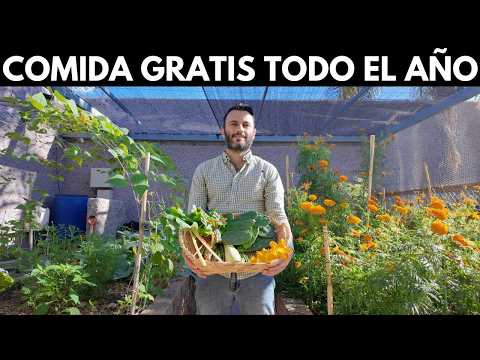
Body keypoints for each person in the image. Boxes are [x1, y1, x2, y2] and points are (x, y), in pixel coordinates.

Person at [184, 103, 294, 315]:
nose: (239, 129)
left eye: (246, 124)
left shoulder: (267, 171)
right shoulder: (204, 170)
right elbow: (193, 218)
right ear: (223, 130)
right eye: (233, 124)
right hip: (212, 269)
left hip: (257, 270)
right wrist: (188, 253)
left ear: (254, 132)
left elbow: (277, 215)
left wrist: (287, 251)